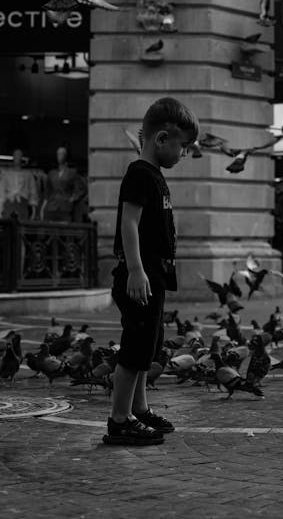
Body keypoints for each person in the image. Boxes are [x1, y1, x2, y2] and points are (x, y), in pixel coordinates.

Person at [103, 97, 199, 446]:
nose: (183, 154)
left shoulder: (153, 175)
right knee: (134, 349)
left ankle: (139, 410)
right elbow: (128, 224)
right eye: (182, 146)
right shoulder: (139, 174)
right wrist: (136, 270)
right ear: (160, 139)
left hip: (153, 277)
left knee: (149, 345)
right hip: (138, 278)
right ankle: (119, 419)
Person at [41, 146, 86, 222]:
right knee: (51, 230)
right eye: (58, 154)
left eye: (61, 153)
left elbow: (82, 188)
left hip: (65, 207)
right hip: (51, 207)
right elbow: (47, 192)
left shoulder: (72, 172)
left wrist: (73, 198)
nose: (59, 156)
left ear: (66, 156)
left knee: (64, 230)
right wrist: (42, 208)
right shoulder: (52, 173)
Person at [0, 148, 38, 220]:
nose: (17, 158)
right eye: (15, 156)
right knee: (8, 227)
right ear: (13, 157)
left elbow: (33, 192)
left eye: (19, 156)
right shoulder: (6, 174)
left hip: (22, 204)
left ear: (21, 157)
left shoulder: (28, 174)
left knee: (21, 226)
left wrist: (34, 211)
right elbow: (1, 192)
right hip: (9, 203)